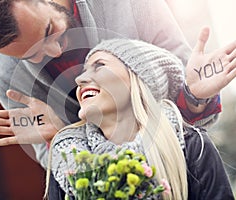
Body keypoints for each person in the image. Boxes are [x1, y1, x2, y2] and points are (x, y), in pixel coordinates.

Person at [0, 0, 236, 169]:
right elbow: (60, 168)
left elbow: (194, 106)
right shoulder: (4, 74)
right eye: (33, 55)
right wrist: (59, 139)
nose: (53, 51)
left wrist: (194, 96)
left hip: (184, 167)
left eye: (49, 31)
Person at [46, 39, 234, 199]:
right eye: (84, 70)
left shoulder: (191, 145)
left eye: (100, 66)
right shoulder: (67, 157)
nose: (79, 79)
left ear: (139, 81)